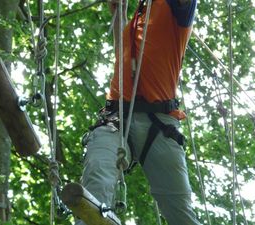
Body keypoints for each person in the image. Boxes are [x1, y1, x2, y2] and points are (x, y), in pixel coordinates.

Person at [76, 0, 200, 224]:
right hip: (115, 119)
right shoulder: (140, 15)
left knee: (180, 213)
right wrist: (120, 15)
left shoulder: (175, 8)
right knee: (96, 177)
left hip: (162, 124)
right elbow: (124, 58)